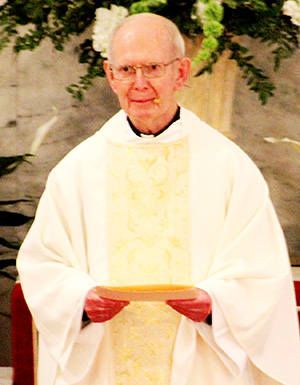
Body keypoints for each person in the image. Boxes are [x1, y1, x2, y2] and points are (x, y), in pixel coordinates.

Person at [17, 13, 300, 385]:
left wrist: (215, 302)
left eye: (152, 68)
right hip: (105, 360)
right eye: (126, 69)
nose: (139, 84)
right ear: (109, 74)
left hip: (200, 361)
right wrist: (81, 300)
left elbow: (262, 270)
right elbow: (44, 264)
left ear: (181, 73)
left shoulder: (228, 165)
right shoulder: (77, 170)